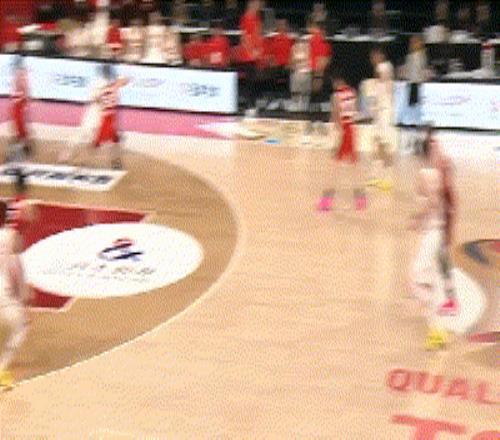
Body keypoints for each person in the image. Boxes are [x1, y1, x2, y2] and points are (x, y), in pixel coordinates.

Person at [408, 125, 458, 350]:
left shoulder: (426, 174)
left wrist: (417, 219)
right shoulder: (439, 173)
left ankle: (436, 319)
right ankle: (438, 331)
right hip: (438, 230)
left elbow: (431, 203)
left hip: (431, 231)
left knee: (418, 278)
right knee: (434, 277)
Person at [317, 71, 366, 212]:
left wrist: (336, 135)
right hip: (352, 129)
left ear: (336, 82)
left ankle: (326, 202)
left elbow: (336, 115)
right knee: (354, 166)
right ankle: (360, 200)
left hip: (343, 131)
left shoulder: (336, 96)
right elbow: (355, 112)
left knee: (334, 168)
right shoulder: (352, 93)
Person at [0, 196, 31, 389]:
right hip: (3, 291)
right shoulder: (10, 236)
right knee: (20, 328)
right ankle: (1, 370)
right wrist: (23, 294)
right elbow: (16, 267)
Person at [368, 47, 394, 190]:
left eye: (375, 56)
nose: (373, 59)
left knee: (384, 145)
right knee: (376, 145)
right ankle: (375, 177)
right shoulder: (381, 71)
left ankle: (387, 178)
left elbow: (384, 77)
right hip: (379, 113)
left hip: (384, 112)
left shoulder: (384, 67)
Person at [403, 35, 428, 153]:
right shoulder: (410, 57)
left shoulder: (421, 56)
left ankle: (417, 140)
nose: (413, 44)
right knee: (411, 114)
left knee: (417, 114)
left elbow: (421, 72)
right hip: (411, 85)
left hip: (417, 85)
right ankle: (412, 139)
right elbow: (408, 71)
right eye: (412, 42)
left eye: (416, 42)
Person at [8, 55, 33, 162]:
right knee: (19, 130)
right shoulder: (19, 74)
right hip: (17, 106)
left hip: (19, 106)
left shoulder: (21, 74)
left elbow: (25, 91)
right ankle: (23, 150)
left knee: (21, 130)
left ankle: (23, 151)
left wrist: (24, 101)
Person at [290, 34, 311, 114]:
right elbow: (292, 61)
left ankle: (304, 108)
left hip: (306, 73)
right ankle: (297, 106)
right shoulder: (294, 48)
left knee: (305, 93)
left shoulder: (308, 47)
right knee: (296, 93)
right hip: (297, 73)